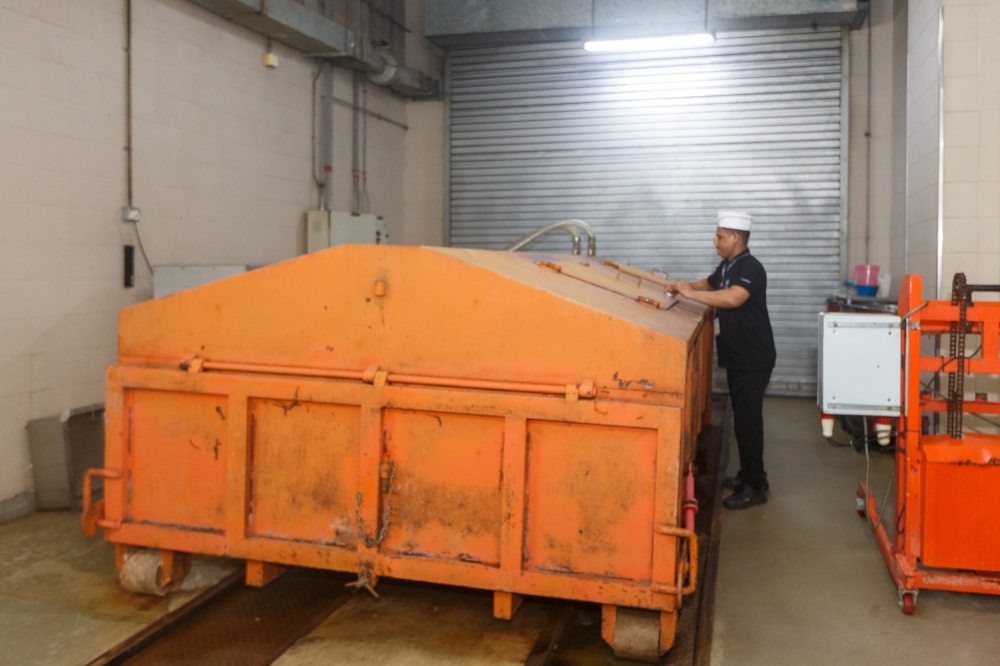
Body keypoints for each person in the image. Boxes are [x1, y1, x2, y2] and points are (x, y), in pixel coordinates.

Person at [667, 211, 776, 510]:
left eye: (719, 236)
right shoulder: (729, 265)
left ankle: (755, 486)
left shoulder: (751, 267)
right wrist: (684, 285)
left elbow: (733, 298)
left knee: (748, 423)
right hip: (739, 356)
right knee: (742, 421)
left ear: (735, 238)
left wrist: (690, 294)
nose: (714, 241)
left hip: (754, 357)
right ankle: (748, 474)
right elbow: (711, 283)